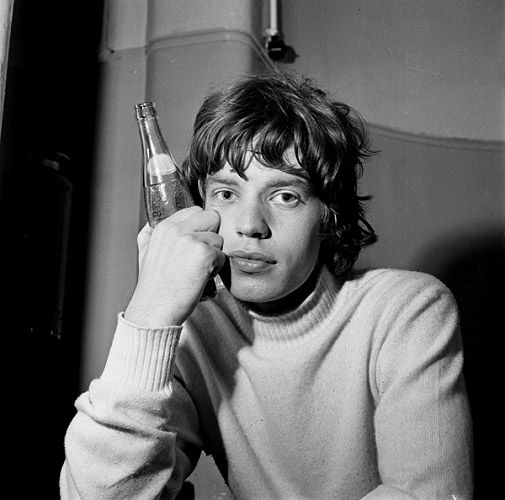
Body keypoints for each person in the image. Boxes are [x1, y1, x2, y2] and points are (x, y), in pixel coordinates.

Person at [60, 72, 473, 499]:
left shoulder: (409, 310)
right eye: (225, 194)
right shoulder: (191, 333)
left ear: (328, 215)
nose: (250, 226)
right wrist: (148, 317)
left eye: (285, 196)